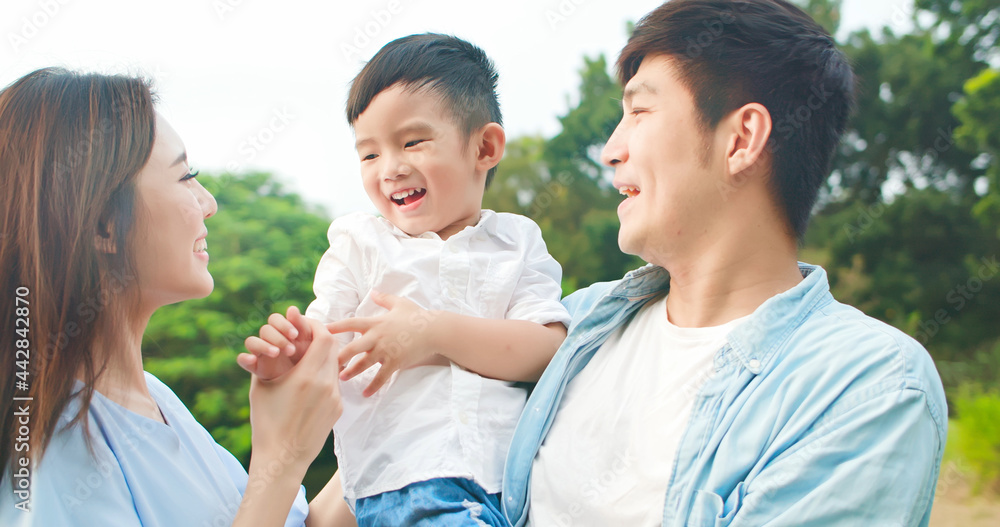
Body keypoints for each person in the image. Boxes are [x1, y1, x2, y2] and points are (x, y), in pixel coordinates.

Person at [501, 1, 948, 526]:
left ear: (741, 139)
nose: (610, 149)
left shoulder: (867, 386)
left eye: (639, 113)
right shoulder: (571, 325)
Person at [240, 34, 569, 527]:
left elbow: (546, 351)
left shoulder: (516, 242)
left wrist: (432, 333)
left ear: (484, 147)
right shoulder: (360, 243)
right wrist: (292, 355)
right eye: (369, 155)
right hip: (403, 485)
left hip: (513, 489)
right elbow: (323, 342)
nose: (390, 169)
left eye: (412, 142)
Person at [0, 68, 343, 526]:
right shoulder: (53, 438)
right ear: (103, 224)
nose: (209, 203)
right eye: (186, 177)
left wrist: (397, 400)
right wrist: (282, 456)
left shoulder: (155, 399)